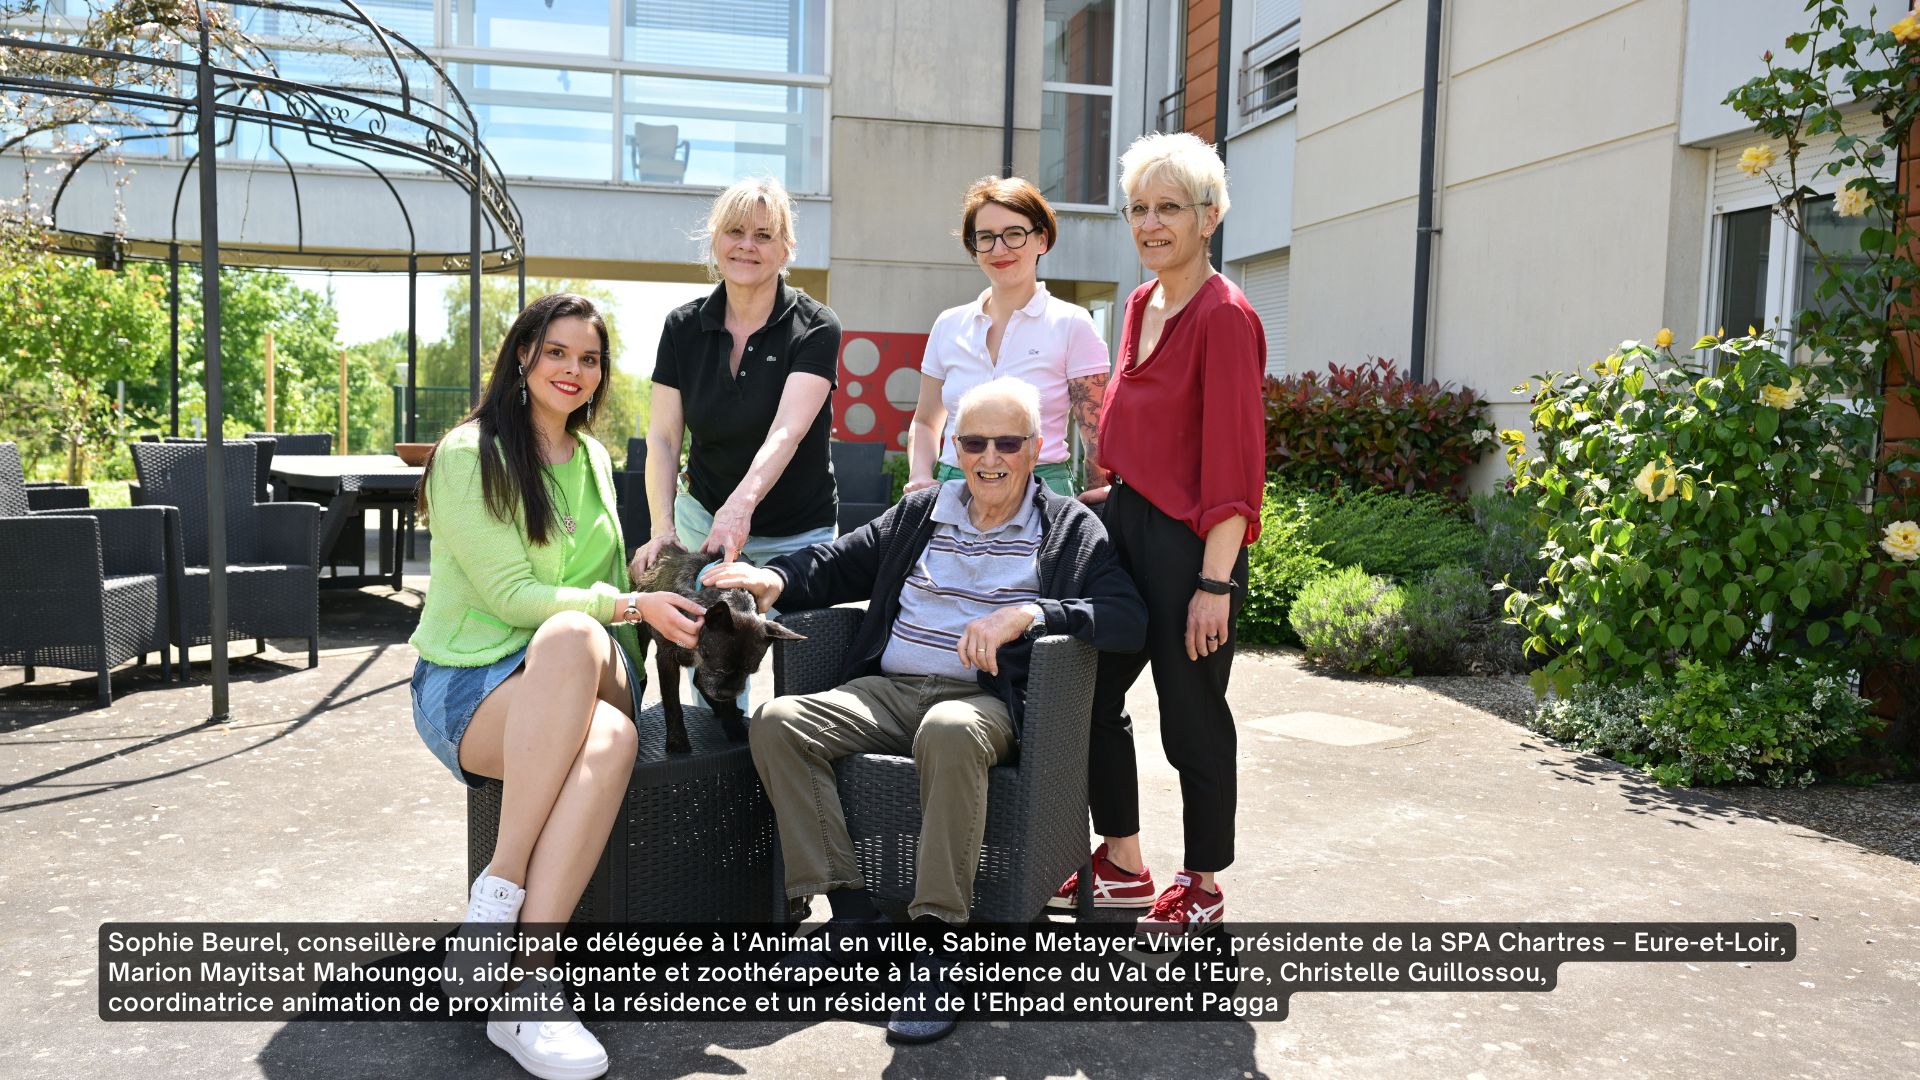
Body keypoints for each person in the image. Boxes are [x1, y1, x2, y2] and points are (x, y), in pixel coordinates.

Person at [705, 377, 1145, 1044]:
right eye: (973, 442)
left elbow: (1125, 618)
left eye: (1006, 443)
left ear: (1034, 450)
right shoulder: (922, 512)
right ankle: (852, 918)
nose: (989, 457)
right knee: (779, 721)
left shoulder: (1070, 529)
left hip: (984, 701)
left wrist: (1032, 611)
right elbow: (838, 562)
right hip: (889, 689)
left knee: (948, 728)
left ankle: (940, 946)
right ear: (953, 449)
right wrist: (778, 579)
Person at [410, 293, 707, 1080]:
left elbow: (602, 589)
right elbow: (512, 598)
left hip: (588, 665)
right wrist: (624, 603)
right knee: (609, 737)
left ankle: (495, 908)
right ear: (522, 357)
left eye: (590, 358)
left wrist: (637, 577)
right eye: (558, 354)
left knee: (577, 636)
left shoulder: (596, 462)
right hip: (473, 687)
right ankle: (528, 976)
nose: (575, 371)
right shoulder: (469, 455)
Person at [1048, 132, 1267, 933]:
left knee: (1191, 714)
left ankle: (1202, 882)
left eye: (1169, 207)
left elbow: (1235, 466)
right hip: (1126, 527)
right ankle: (1125, 861)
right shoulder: (1141, 305)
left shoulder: (1226, 317)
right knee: (1093, 698)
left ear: (1209, 217)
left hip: (1190, 547)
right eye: (1139, 208)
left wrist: (1215, 584)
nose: (1151, 223)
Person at [904, 175, 1112, 498]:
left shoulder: (1072, 324)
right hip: (955, 491)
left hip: (1042, 494)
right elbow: (926, 422)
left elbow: (1097, 433)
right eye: (985, 237)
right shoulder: (948, 325)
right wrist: (919, 476)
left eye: (1014, 234)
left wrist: (1098, 504)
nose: (999, 248)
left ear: (1042, 240)